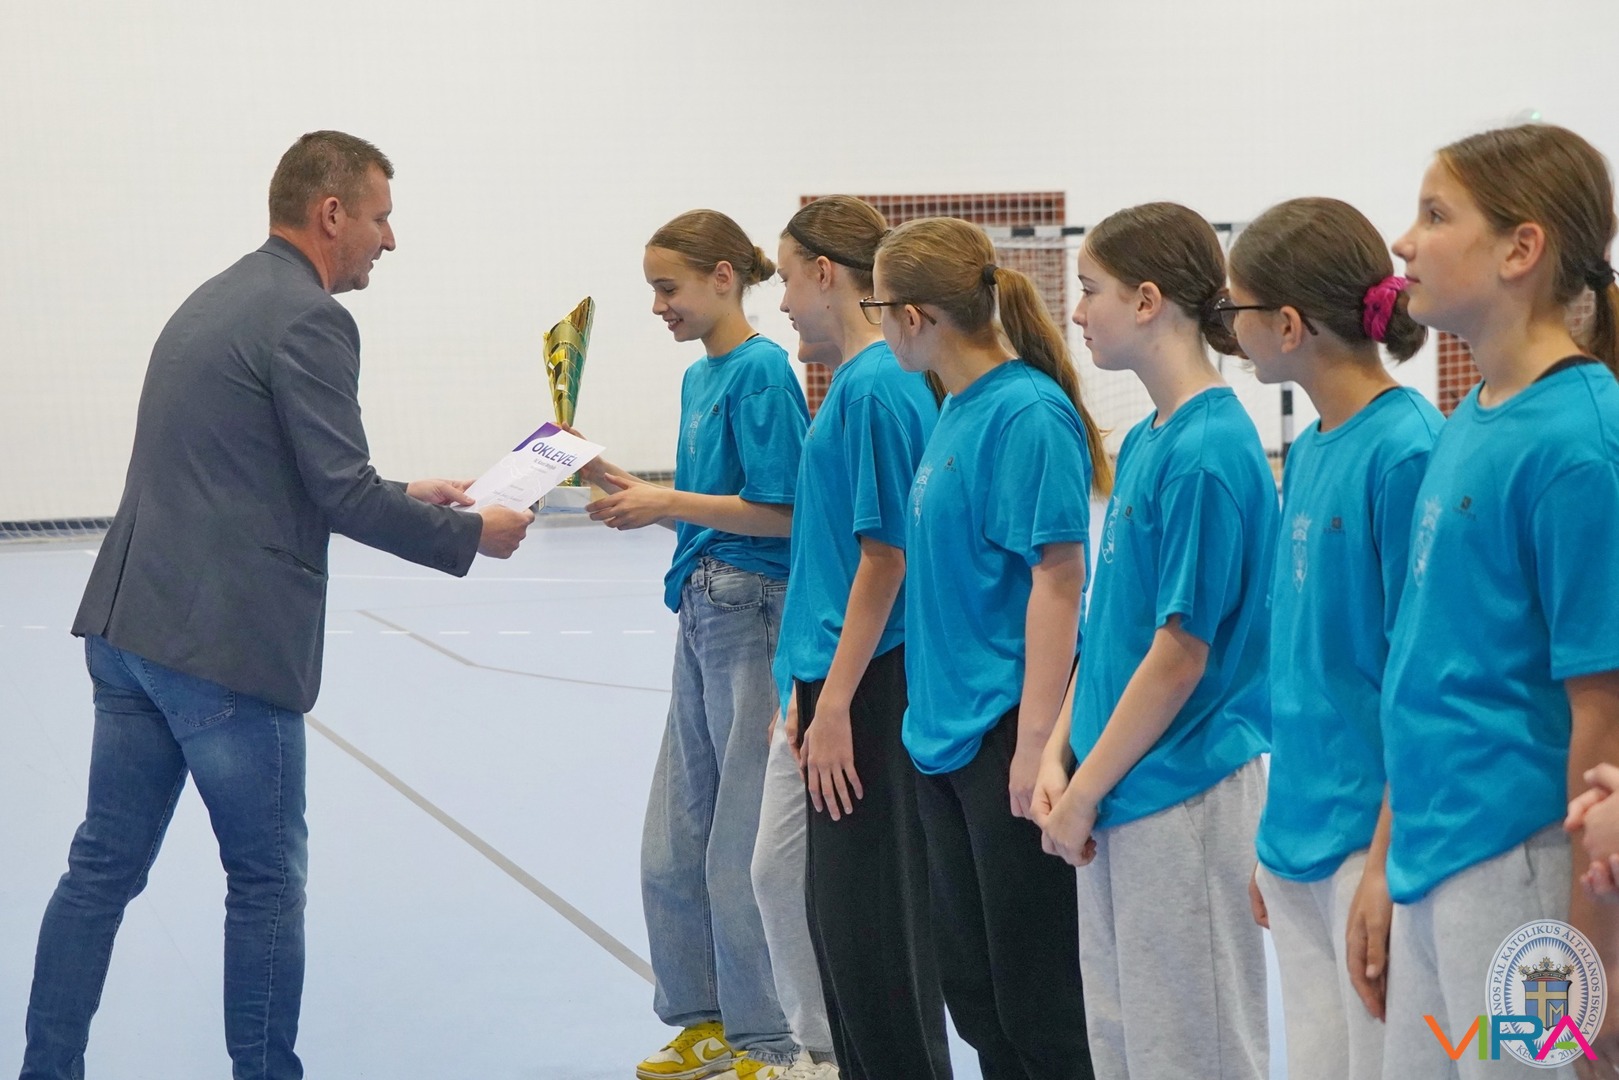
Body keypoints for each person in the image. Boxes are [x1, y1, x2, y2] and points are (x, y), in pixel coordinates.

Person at [19, 130, 533, 1080]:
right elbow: (340, 494)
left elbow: (263, 468)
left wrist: (406, 492)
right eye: (380, 217)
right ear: (331, 213)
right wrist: (471, 536)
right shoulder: (312, 318)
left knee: (100, 869)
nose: (390, 239)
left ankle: (48, 1068)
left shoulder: (218, 296)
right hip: (223, 653)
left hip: (131, 630)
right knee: (264, 884)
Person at [1378, 123, 1619, 1079]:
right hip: (1431, 858)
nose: (1403, 242)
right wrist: (1381, 862)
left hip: (1519, 867)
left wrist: (1591, 949)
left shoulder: (1578, 445)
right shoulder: (1469, 417)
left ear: (1521, 249)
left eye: (1435, 216)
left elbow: (1603, 708)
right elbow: (1421, 668)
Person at [1037, 202, 1275, 1080]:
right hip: (1115, 792)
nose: (1075, 311)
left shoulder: (1208, 451)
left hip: (1180, 796)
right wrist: (1058, 754)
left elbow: (1178, 655)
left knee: (1191, 1050)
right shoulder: (1145, 438)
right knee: (1125, 1048)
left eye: (1089, 289)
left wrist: (1082, 790)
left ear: (1145, 302)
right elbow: (1109, 626)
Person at [873, 215, 1108, 1080]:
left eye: (877, 307)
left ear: (914, 316)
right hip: (940, 738)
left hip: (1005, 732)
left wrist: (1035, 745)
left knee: (1037, 998)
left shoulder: (1027, 414)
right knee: (973, 991)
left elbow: (1058, 577)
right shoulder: (952, 408)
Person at [578, 210, 809, 1080]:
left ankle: (767, 1036)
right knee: (673, 841)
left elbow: (783, 513)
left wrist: (666, 502)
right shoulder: (700, 378)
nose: (657, 306)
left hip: (753, 612)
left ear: (722, 277)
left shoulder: (762, 372)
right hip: (701, 611)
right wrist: (618, 483)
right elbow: (710, 505)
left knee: (737, 842)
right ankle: (702, 1018)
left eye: (667, 288)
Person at [1223, 197, 1440, 1080]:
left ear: (1287, 324)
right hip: (1298, 837)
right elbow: (1302, 664)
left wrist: (1384, 863)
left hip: (1371, 844)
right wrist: (1274, 836)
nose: (1227, 326)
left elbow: (1416, 680)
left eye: (1235, 308)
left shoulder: (1407, 450)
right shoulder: (1310, 447)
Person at [767, 196, 948, 1080]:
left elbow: (887, 558)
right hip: (837, 677)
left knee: (875, 936)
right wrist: (800, 690)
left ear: (825, 274)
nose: (781, 302)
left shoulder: (877, 387)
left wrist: (834, 702)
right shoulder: (854, 386)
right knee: (842, 931)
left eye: (785, 279)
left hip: (871, 683)